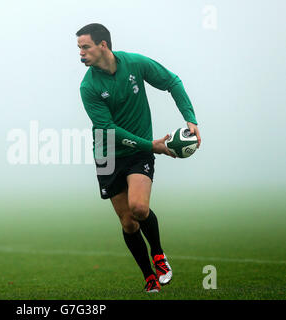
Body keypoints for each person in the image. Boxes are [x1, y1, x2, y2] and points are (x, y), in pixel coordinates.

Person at [77, 23, 201, 292]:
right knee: (128, 223)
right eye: (79, 48)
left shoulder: (134, 63)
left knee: (139, 208)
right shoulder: (88, 86)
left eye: (85, 47)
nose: (81, 53)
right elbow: (107, 129)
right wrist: (152, 145)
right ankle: (149, 276)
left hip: (138, 153)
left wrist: (189, 118)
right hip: (107, 154)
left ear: (103, 45)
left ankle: (158, 254)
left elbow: (172, 81)